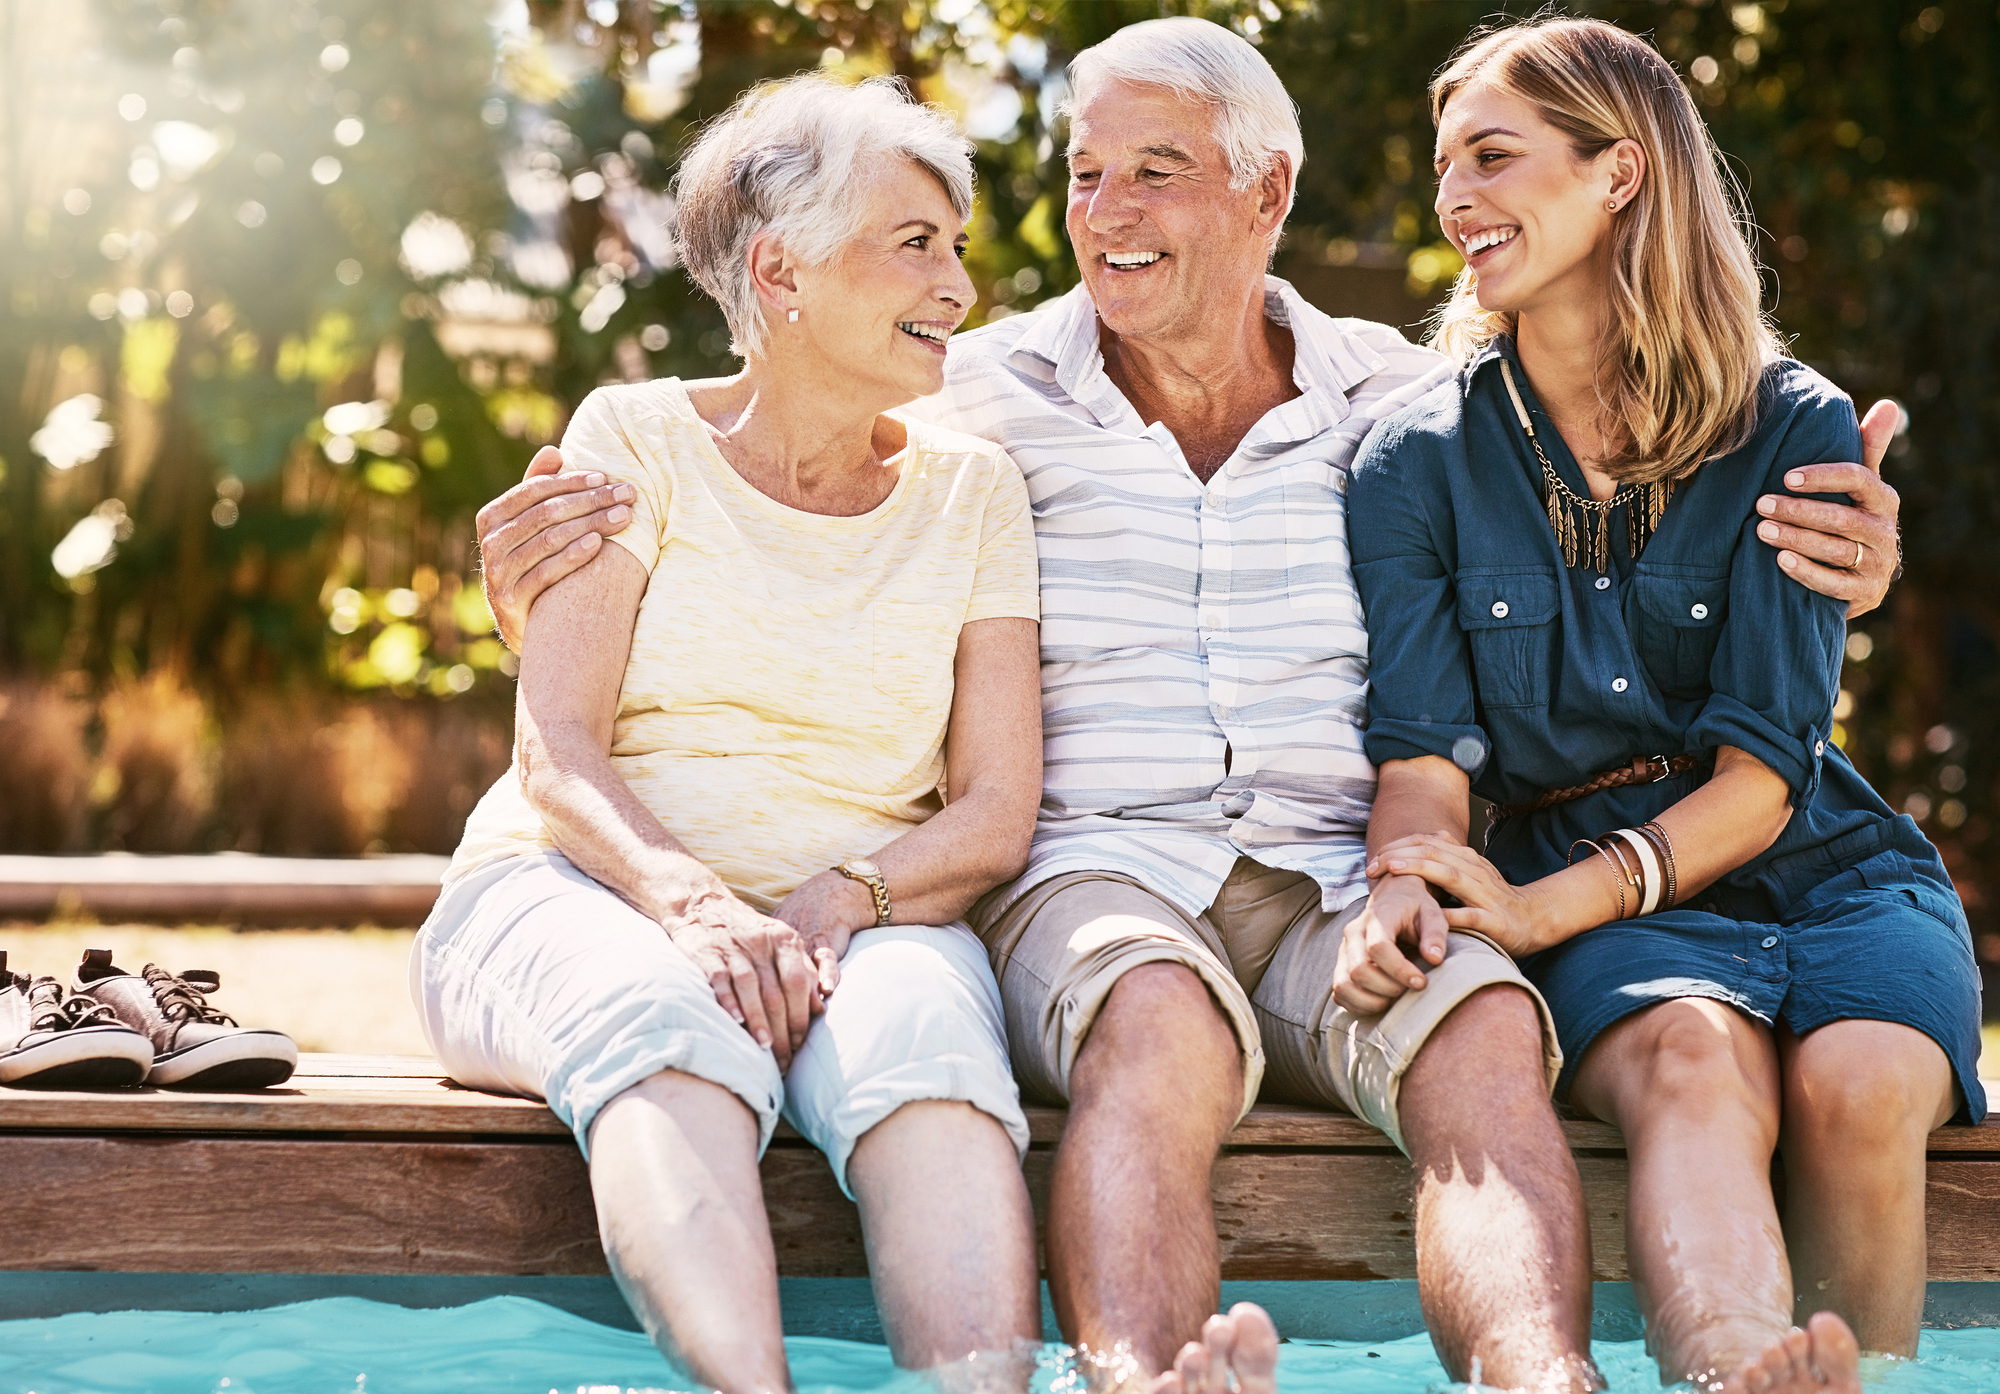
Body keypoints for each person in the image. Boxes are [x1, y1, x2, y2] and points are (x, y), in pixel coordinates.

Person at [473, 20, 1905, 1394]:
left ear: (1265, 189)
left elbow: (1636, 539)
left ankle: (1541, 1379)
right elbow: (764, 481)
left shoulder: (1401, 403)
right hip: (1100, 868)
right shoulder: (970, 389)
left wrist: (1854, 552)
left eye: (1155, 168)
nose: (1107, 210)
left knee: (1476, 1033)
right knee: (1155, 1027)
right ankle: (1148, 1382)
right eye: (1086, 175)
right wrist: (530, 580)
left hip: (1347, 865)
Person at [1346, 18, 1982, 1394]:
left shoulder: (1793, 423)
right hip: (1591, 884)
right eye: (1444, 164)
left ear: (1620, 173)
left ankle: (1852, 1378)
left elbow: (1764, 775)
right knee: (1693, 1063)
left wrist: (1539, 910)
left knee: (1863, 1088)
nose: (1455, 198)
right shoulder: (1413, 459)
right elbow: (1423, 752)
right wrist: (1424, 876)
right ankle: (1737, 1368)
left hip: (1824, 863)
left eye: (1493, 156)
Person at [412, 75, 1047, 1394]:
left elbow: (994, 807)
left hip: (865, 915)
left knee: (926, 1050)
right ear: (783, 270)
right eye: (916, 244)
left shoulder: (974, 489)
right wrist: (696, 904)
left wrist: (848, 893)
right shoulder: (632, 437)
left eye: (958, 249)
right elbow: (559, 752)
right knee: (665, 1013)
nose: (959, 287)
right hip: (587, 884)